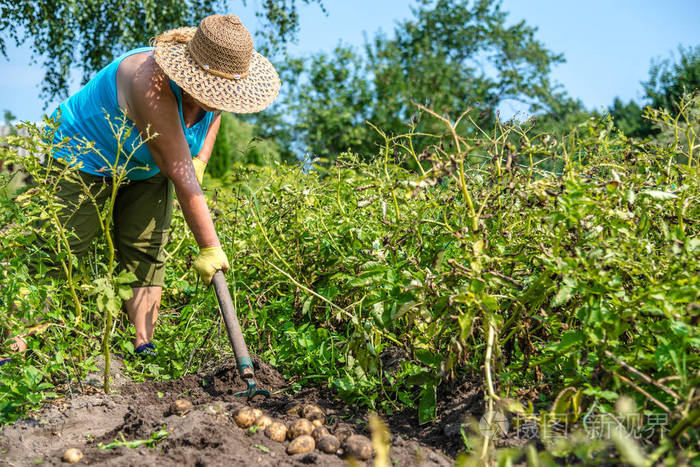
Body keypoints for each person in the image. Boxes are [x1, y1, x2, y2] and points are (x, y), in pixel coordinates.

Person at [5, 14, 280, 361]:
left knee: (146, 249)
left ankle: (143, 349)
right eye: (213, 87)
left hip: (145, 163)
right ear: (191, 70)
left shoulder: (215, 93)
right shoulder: (148, 79)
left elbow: (213, 118)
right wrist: (210, 246)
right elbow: (178, 172)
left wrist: (202, 162)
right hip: (82, 155)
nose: (219, 97)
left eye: (225, 91)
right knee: (61, 248)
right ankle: (17, 347)